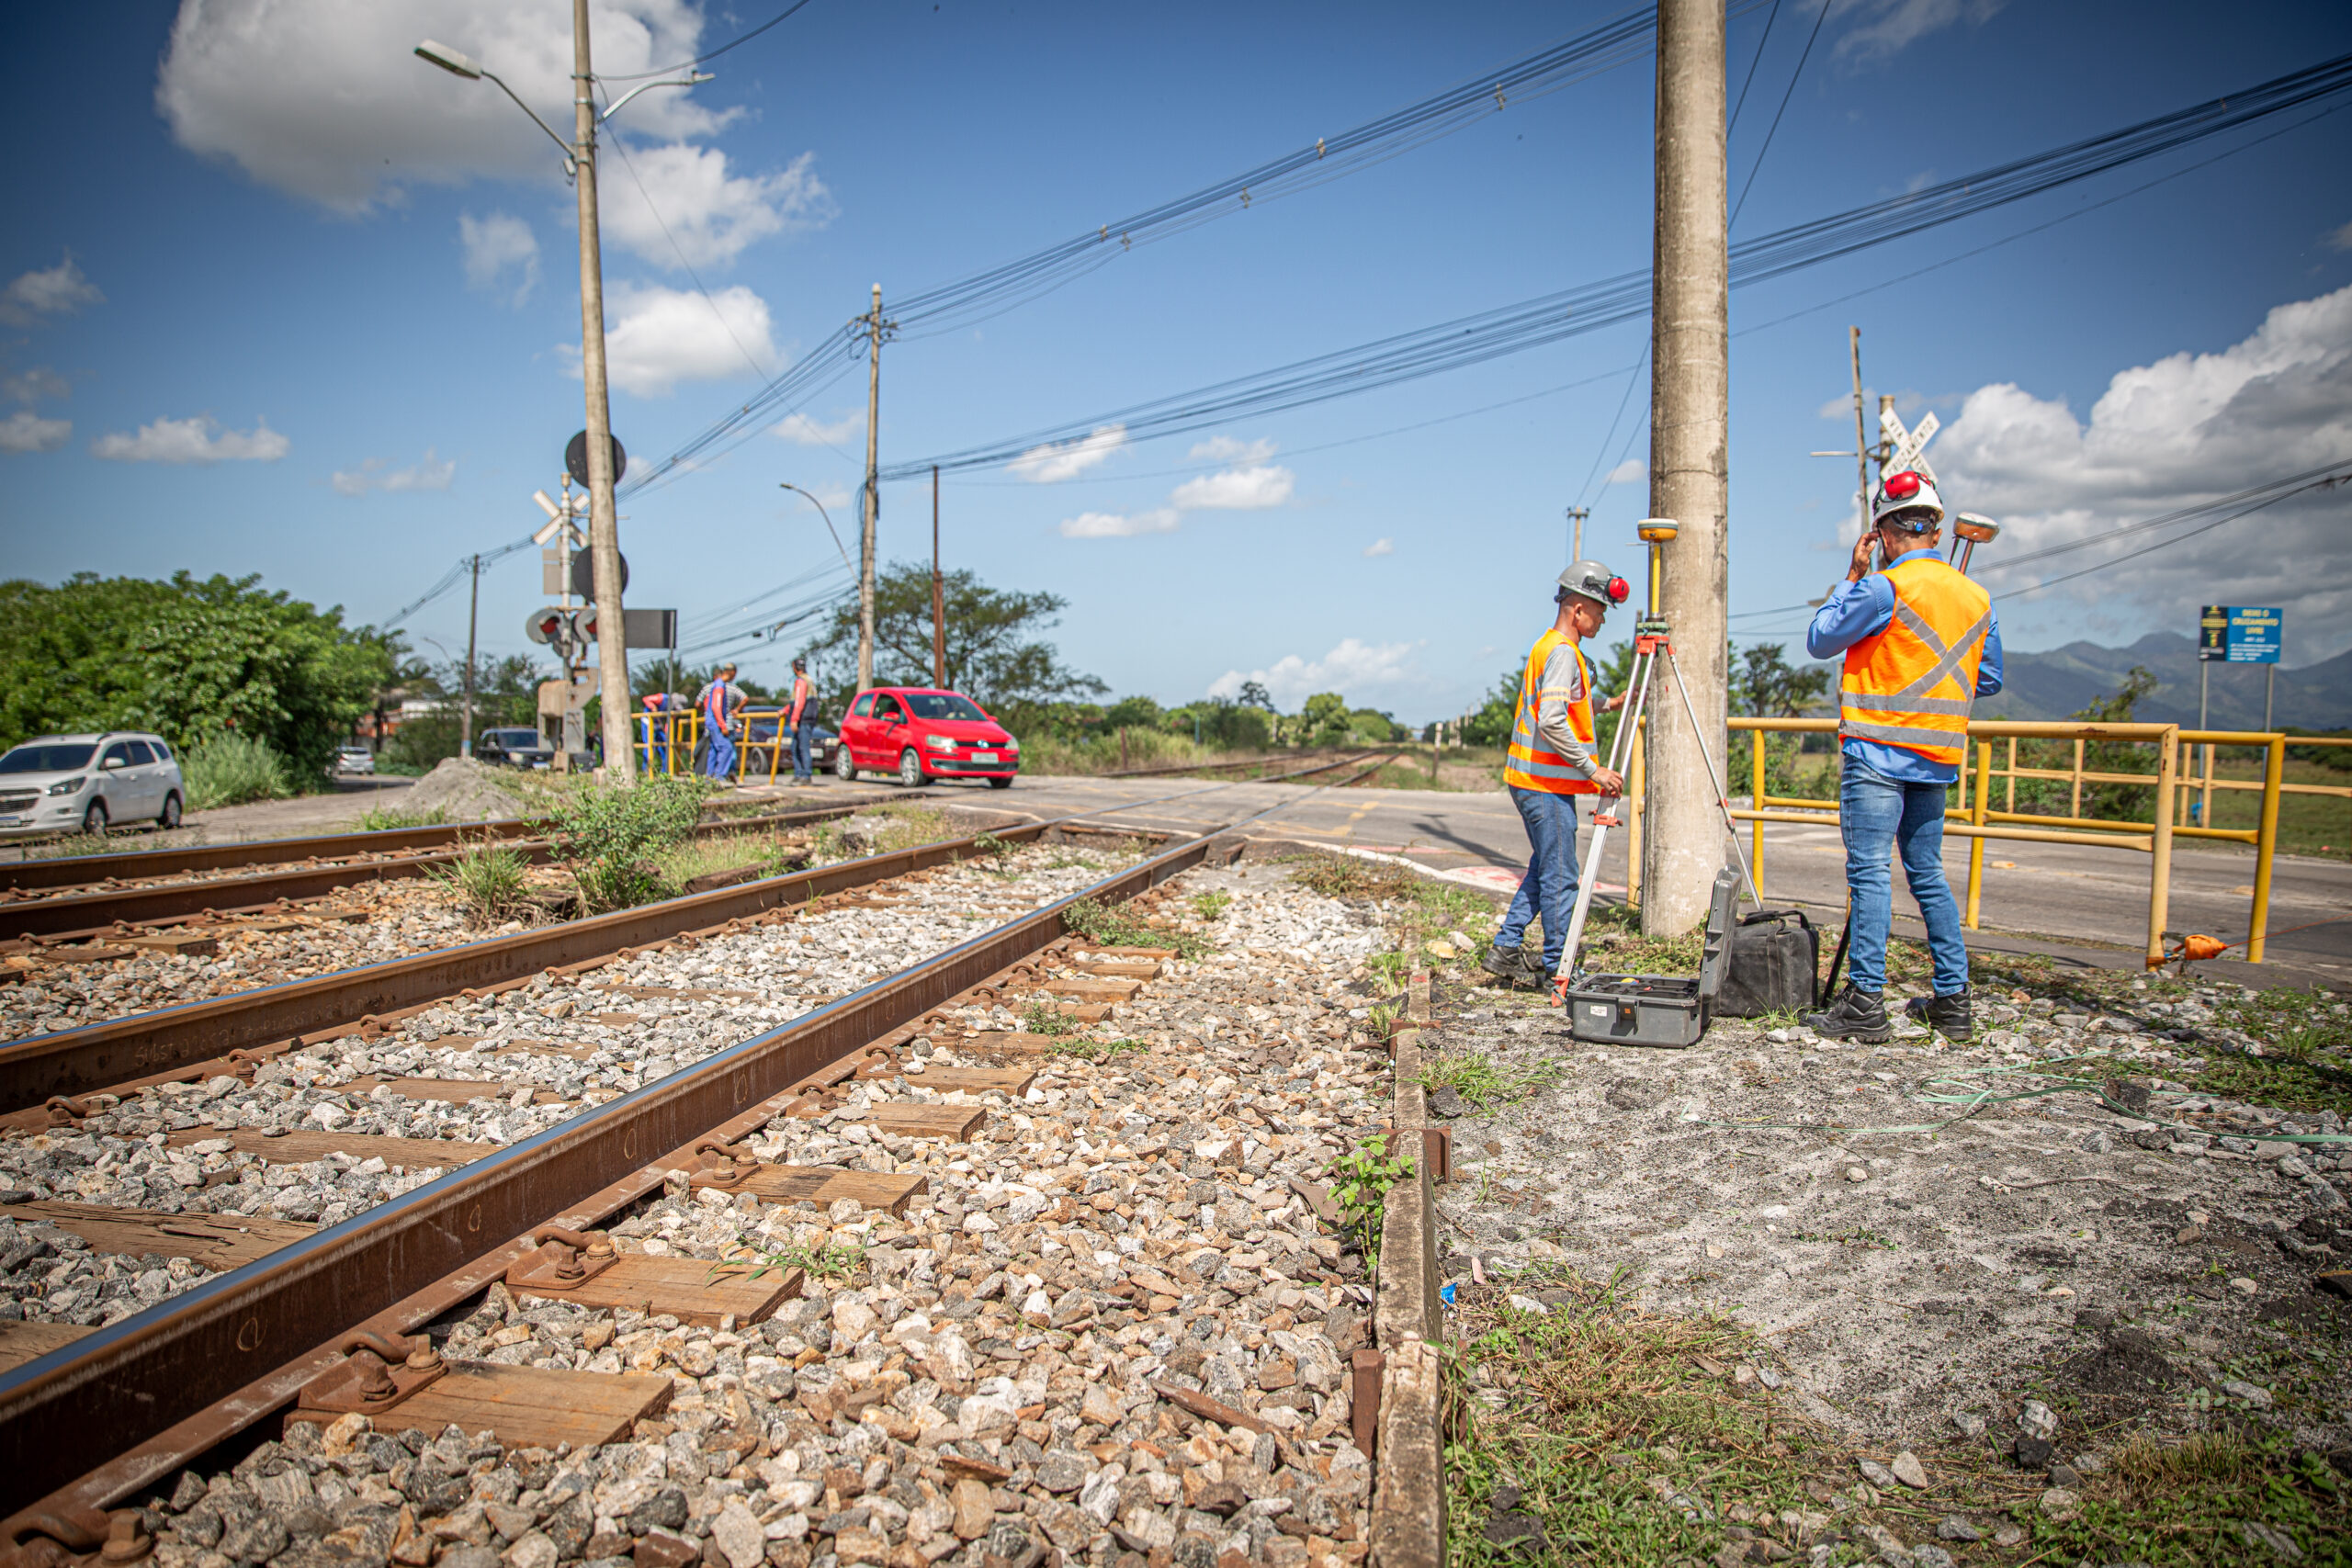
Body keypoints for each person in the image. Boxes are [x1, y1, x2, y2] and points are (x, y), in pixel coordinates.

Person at [1802, 469, 2004, 1043]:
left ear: (1884, 532)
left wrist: (1852, 575)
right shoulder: (1976, 597)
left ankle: (1866, 1000)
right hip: (1936, 756)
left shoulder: (1884, 588)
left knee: (1869, 871)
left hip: (1877, 751)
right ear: (1936, 529)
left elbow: (1820, 639)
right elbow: (1986, 680)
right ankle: (1954, 1001)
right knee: (1928, 873)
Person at [1480, 561, 1629, 990]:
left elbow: (1567, 704)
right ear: (1578, 609)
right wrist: (1593, 769)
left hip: (1530, 781)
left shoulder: (1548, 646)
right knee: (1562, 876)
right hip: (1546, 785)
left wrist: (1608, 703)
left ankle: (1505, 949)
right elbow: (1552, 719)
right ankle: (1557, 968)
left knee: (1546, 866)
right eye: (1598, 612)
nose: (1601, 620)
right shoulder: (1563, 652)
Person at [695, 663, 746, 781]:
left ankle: (709, 777)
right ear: (731, 673)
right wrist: (722, 725)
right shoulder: (719, 685)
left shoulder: (716, 685)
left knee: (713, 749)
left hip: (712, 722)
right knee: (727, 748)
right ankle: (719, 777)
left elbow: (700, 704)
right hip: (716, 722)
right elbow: (716, 706)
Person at [788, 658, 817, 785]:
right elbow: (795, 702)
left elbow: (799, 702)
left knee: (802, 747)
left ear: (795, 668)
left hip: (803, 719)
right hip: (807, 717)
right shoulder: (809, 680)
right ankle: (799, 774)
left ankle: (805, 775)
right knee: (795, 747)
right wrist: (784, 710)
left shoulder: (801, 681)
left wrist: (794, 719)